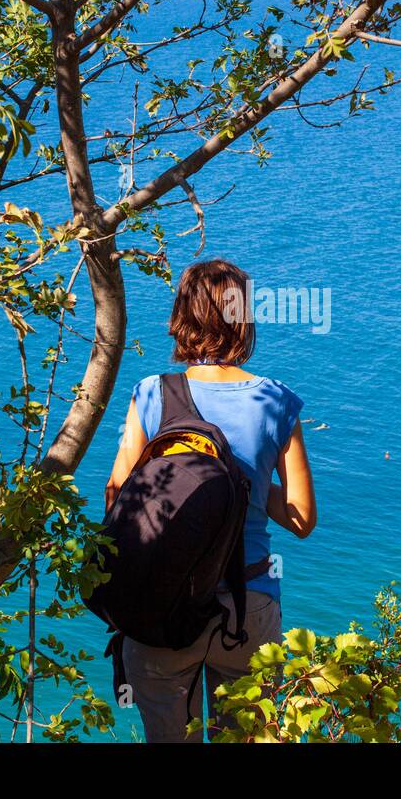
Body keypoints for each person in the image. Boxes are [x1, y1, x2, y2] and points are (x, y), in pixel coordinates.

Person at [105, 259, 316, 741]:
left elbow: (117, 496)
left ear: (183, 315)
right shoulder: (276, 402)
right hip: (248, 606)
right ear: (244, 321)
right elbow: (302, 519)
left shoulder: (152, 394)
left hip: (163, 602)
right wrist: (249, 483)